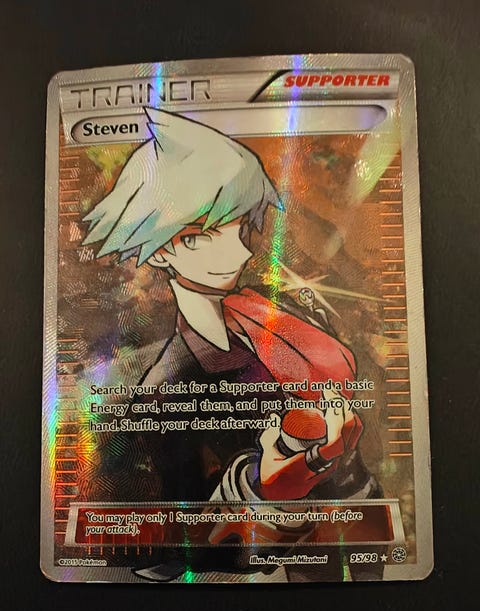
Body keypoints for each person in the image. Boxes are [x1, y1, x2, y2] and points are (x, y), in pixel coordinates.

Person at [82, 107, 381, 581]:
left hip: (350, 560)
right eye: (202, 237)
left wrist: (343, 472)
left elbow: (367, 519)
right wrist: (260, 493)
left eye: (240, 227)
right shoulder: (160, 394)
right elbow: (173, 555)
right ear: (160, 250)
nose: (239, 250)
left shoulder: (285, 313)